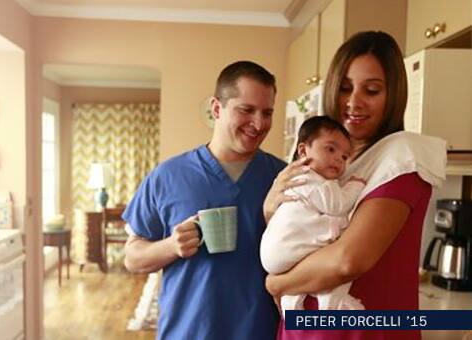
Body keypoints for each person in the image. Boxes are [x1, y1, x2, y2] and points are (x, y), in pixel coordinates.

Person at [263, 31, 446, 340]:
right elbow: (294, 230)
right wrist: (271, 208)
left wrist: (277, 283)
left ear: (394, 95)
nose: (353, 102)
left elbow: (348, 260)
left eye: (371, 90)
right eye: (345, 88)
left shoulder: (402, 158)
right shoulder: (329, 156)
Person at [122, 60, 285, 340]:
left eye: (267, 112)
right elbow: (132, 258)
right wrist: (172, 246)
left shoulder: (283, 178)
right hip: (187, 332)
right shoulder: (168, 176)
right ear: (217, 108)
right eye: (246, 110)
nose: (259, 124)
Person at [260, 116, 367, 313]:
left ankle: (290, 306)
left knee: (302, 280)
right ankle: (334, 304)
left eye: (344, 157)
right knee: (333, 259)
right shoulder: (307, 178)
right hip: (285, 251)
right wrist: (356, 184)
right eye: (330, 149)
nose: (338, 159)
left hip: (278, 255)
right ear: (303, 151)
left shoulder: (298, 179)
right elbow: (337, 205)